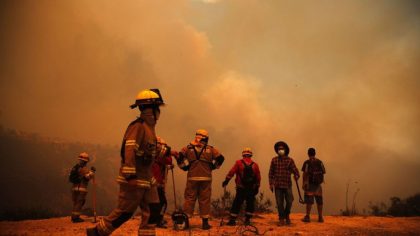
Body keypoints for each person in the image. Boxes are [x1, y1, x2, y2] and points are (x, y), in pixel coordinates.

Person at [87, 89, 164, 236]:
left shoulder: (150, 129)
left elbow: (148, 154)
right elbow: (128, 151)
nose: (159, 111)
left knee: (154, 210)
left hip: (147, 180)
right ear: (151, 109)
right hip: (134, 180)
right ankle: (97, 232)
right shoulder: (138, 126)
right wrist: (130, 176)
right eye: (157, 108)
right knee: (124, 213)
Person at [176, 129, 225, 230]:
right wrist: (214, 167)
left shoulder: (187, 148)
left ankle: (185, 223)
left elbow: (179, 156)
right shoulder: (211, 149)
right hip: (206, 178)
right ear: (205, 138)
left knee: (189, 199)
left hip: (192, 178)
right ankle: (205, 224)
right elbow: (221, 158)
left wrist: (184, 167)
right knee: (205, 200)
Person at [222, 147, 261, 226]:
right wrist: (257, 187)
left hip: (241, 187)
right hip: (251, 188)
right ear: (251, 155)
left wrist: (226, 180)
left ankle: (232, 220)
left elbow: (232, 172)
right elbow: (258, 177)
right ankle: (247, 220)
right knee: (250, 203)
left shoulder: (238, 163)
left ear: (243, 154)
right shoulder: (255, 165)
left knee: (237, 203)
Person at [268, 141, 299, 225]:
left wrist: (296, 175)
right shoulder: (274, 160)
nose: (280, 150)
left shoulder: (290, 160)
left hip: (287, 184)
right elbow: (271, 173)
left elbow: (296, 171)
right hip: (277, 185)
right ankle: (281, 219)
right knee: (279, 203)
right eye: (279, 149)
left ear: (285, 150)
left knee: (290, 201)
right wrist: (271, 184)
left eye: (282, 149)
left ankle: (287, 214)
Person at [149, 137, 177, 228]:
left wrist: (168, 167)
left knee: (153, 202)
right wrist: (170, 154)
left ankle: (151, 219)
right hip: (157, 183)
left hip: (150, 182)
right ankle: (158, 220)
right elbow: (168, 160)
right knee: (163, 203)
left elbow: (162, 164)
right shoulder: (160, 155)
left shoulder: (152, 155)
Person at [301, 147, 326, 223]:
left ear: (308, 154)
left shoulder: (307, 163)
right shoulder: (319, 162)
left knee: (309, 201)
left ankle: (308, 216)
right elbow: (324, 171)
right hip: (318, 185)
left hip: (310, 184)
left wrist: (304, 183)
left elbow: (305, 173)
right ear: (315, 153)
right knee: (319, 201)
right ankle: (320, 217)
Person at [69, 152, 95, 223]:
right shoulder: (83, 169)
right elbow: (87, 177)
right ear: (85, 161)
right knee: (79, 203)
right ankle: (75, 218)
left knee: (75, 203)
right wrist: (92, 172)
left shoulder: (75, 167)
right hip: (81, 189)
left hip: (74, 189)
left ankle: (73, 216)